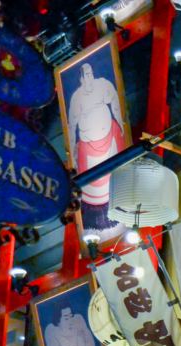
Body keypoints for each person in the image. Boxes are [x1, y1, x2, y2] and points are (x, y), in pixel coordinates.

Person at [67, 62, 126, 231]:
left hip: (110, 138)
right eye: (86, 75)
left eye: (91, 73)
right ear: (80, 79)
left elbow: (114, 98)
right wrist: (72, 153)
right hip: (89, 145)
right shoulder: (77, 98)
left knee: (116, 177)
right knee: (93, 186)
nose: (90, 78)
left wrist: (120, 122)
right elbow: (71, 127)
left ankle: (120, 208)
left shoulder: (102, 85)